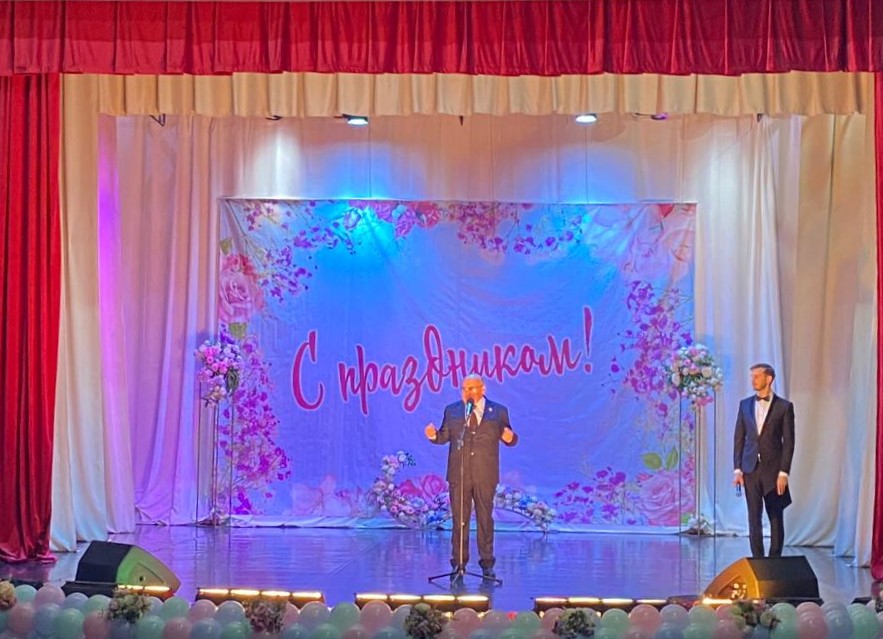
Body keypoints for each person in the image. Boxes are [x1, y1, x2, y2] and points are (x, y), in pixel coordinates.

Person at [425, 375, 517, 583]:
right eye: (465, 388)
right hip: (459, 474)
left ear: (483, 389)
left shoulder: (498, 411)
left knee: (485, 519)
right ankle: (458, 563)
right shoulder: (453, 410)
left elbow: (510, 437)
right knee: (460, 520)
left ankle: (487, 565)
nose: (468, 392)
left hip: (485, 474)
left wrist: (510, 439)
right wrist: (433, 435)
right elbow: (444, 436)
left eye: (473, 388)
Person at [732, 363, 795, 558]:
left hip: (773, 471)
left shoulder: (784, 407)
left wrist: (784, 472)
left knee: (775, 516)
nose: (753, 380)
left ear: (769, 379)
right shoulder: (745, 405)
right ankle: (758, 561)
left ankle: (774, 560)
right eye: (752, 376)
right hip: (750, 469)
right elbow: (739, 438)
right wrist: (737, 469)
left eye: (757, 376)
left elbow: (789, 442)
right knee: (753, 517)